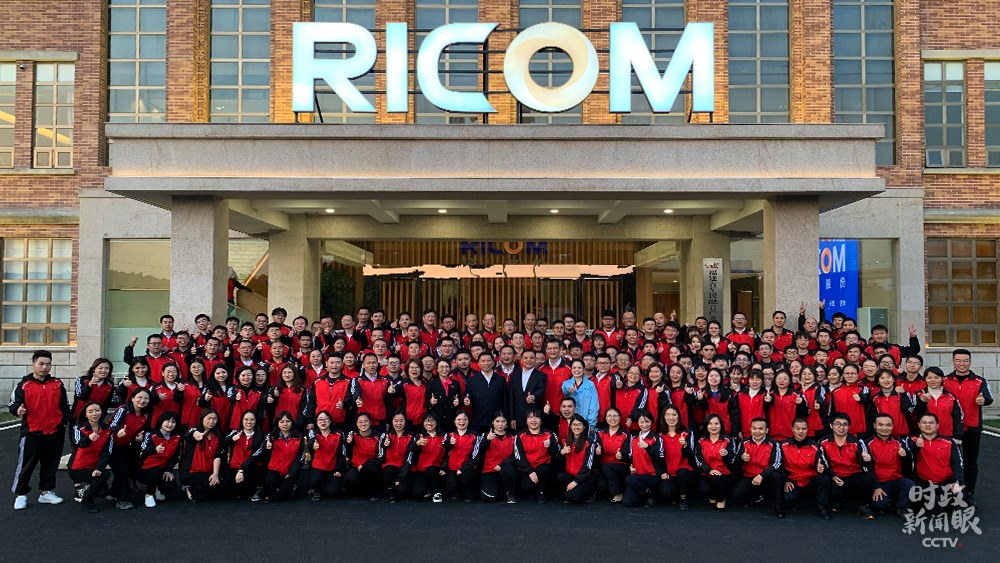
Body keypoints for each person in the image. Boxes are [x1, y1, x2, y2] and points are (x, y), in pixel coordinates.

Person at [9, 350, 72, 510]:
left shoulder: (57, 384)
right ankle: (21, 494)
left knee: (50, 465)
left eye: (48, 364)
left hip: (55, 432)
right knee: (26, 465)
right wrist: (18, 409)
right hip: (32, 432)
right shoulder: (24, 385)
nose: (45, 367)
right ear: (33, 364)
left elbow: (64, 405)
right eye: (41, 364)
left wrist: (63, 423)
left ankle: (46, 492)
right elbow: (13, 404)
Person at [943, 348, 994, 505]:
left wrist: (984, 400)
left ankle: (969, 492)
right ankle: (951, 493)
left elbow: (989, 397)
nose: (962, 364)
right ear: (953, 362)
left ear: (970, 362)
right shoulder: (945, 380)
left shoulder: (979, 381)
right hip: (950, 428)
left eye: (965, 361)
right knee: (950, 462)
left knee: (971, 462)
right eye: (958, 360)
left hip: (972, 427)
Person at [819, 413, 876, 519]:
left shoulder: (857, 442)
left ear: (849, 426)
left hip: (853, 474)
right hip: (834, 475)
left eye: (845, 424)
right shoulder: (823, 442)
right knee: (829, 486)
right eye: (838, 424)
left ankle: (863, 506)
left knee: (866, 480)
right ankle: (836, 502)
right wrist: (832, 476)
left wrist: (866, 460)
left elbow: (867, 462)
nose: (841, 427)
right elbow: (822, 461)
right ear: (831, 426)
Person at [106, 387, 154, 510]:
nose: (142, 401)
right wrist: (118, 431)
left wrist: (139, 437)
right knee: (121, 469)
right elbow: (112, 424)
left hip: (127, 445)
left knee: (127, 468)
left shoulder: (146, 414)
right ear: (132, 398)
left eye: (146, 398)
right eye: (139, 397)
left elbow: (144, 430)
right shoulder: (123, 409)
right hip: (112, 444)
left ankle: (114, 492)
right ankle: (123, 499)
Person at [779, 418, 832, 520]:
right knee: (789, 497)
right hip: (793, 480)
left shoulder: (815, 446)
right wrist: (786, 480)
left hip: (810, 480)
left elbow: (824, 463)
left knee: (824, 479)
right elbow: (778, 465)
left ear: (808, 430)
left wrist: (821, 468)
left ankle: (822, 507)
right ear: (792, 429)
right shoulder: (783, 445)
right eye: (797, 428)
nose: (800, 431)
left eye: (803, 429)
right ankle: (790, 503)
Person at [732, 417, 783, 517]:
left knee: (777, 476)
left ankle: (778, 505)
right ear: (750, 429)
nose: (757, 431)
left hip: (766, 476)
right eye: (754, 428)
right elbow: (735, 461)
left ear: (766, 430)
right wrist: (741, 458)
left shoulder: (774, 444)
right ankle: (755, 495)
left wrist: (762, 475)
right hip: (749, 476)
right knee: (736, 494)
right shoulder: (744, 443)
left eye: (760, 429)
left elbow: (776, 463)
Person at [867, 413, 914, 518]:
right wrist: (876, 486)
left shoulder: (899, 441)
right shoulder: (868, 443)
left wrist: (905, 455)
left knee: (910, 485)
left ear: (892, 426)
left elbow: (910, 459)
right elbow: (866, 468)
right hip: (878, 482)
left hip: (895, 479)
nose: (884, 428)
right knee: (879, 505)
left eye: (888, 425)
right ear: (874, 425)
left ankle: (902, 508)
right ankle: (886, 501)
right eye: (880, 425)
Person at [908, 413, 964, 498]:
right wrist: (916, 446)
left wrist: (957, 482)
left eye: (931, 423)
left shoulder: (949, 442)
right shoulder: (912, 440)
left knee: (958, 496)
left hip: (946, 482)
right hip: (923, 482)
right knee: (916, 498)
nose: (927, 425)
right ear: (919, 425)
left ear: (937, 425)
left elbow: (958, 464)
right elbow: (908, 455)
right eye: (924, 422)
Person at [68, 402, 112, 511]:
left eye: (97, 410)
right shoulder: (78, 428)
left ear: (102, 412)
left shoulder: (107, 429)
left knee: (103, 493)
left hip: (94, 466)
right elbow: (79, 443)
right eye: (90, 411)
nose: (94, 414)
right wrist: (88, 438)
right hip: (78, 467)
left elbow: (107, 452)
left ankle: (87, 488)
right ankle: (87, 501)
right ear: (85, 414)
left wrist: (99, 468)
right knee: (104, 475)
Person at [620, 409, 666, 508]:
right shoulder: (633, 438)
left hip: (652, 475)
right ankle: (648, 492)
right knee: (628, 502)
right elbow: (630, 457)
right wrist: (629, 465)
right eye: (641, 422)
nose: (644, 425)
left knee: (629, 479)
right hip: (637, 475)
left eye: (647, 421)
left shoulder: (656, 438)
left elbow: (660, 458)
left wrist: (648, 447)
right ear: (637, 423)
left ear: (652, 422)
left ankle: (651, 493)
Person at [513, 408, 560, 503]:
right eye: (530, 417)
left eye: (537, 417)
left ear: (541, 420)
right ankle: (534, 490)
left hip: (544, 468)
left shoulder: (550, 434)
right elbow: (518, 456)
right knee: (526, 486)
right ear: (526, 421)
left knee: (544, 470)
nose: (533, 420)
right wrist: (529, 471)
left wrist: (551, 446)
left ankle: (542, 493)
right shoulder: (520, 436)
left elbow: (557, 451)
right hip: (527, 468)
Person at [694, 414, 739, 511]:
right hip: (707, 472)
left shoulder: (728, 440)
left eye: (716, 424)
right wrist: (709, 470)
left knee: (717, 479)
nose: (713, 426)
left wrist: (726, 455)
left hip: (725, 474)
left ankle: (721, 499)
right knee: (704, 489)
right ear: (706, 426)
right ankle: (714, 495)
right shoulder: (701, 441)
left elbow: (734, 460)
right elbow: (698, 460)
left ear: (721, 425)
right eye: (710, 424)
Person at [137, 411, 182, 508]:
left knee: (170, 484)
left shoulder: (177, 436)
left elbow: (175, 457)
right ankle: (149, 494)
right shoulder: (151, 433)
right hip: (146, 468)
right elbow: (143, 450)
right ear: (161, 421)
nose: (170, 424)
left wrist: (168, 470)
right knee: (155, 470)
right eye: (167, 421)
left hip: (163, 467)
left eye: (173, 422)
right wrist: (155, 449)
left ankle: (158, 489)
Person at [181, 408, 226, 503]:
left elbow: (218, 456)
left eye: (214, 419)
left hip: (210, 472)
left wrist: (215, 474)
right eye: (209, 418)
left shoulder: (218, 436)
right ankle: (188, 488)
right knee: (203, 490)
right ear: (202, 419)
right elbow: (190, 434)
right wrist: (196, 434)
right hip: (193, 472)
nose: (211, 421)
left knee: (220, 490)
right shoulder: (195, 430)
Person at [472, 412, 518, 503]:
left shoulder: (513, 437)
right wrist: (487, 440)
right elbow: (478, 451)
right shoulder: (485, 435)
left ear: (507, 423)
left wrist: (502, 464)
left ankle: (510, 493)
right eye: (497, 421)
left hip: (505, 468)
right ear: (493, 422)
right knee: (488, 498)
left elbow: (516, 456)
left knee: (508, 471)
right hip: (489, 470)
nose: (500, 424)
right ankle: (498, 490)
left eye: (503, 421)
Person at [262, 411, 306, 503]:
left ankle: (291, 487)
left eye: (288, 421)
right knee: (270, 480)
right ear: (277, 424)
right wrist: (267, 447)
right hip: (275, 468)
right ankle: (270, 494)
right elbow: (263, 452)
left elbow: (301, 457)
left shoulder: (299, 437)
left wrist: (292, 471)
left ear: (292, 422)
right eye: (281, 422)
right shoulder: (271, 436)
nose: (285, 424)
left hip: (290, 469)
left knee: (284, 493)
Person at [658, 405, 695, 510]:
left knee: (683, 473)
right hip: (669, 472)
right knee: (666, 492)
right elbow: (658, 457)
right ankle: (675, 493)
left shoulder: (687, 433)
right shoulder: (660, 435)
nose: (671, 418)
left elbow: (691, 455)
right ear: (664, 417)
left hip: (684, 471)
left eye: (674, 415)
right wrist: (662, 471)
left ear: (678, 416)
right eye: (667, 415)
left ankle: (683, 497)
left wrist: (685, 446)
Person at [225, 410, 266, 502]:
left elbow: (255, 456)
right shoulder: (235, 432)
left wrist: (241, 470)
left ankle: (255, 490)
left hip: (251, 467)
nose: (249, 422)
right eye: (246, 419)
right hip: (235, 466)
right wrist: (232, 439)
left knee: (249, 482)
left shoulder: (261, 437)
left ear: (256, 421)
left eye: (252, 419)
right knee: (229, 489)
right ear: (242, 420)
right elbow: (223, 442)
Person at [556, 414, 598, 503]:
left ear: (584, 427)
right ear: (570, 427)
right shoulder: (565, 441)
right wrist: (561, 453)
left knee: (570, 496)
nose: (577, 427)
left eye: (579, 424)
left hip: (586, 477)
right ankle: (572, 494)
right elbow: (556, 460)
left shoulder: (589, 442)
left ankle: (589, 494)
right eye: (574, 425)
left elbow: (588, 466)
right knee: (561, 477)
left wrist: (576, 481)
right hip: (571, 475)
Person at [464, 352, 509, 434]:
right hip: (478, 421)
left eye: (488, 360)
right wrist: (466, 399)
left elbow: (505, 400)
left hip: (497, 422)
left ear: (493, 362)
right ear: (478, 364)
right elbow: (467, 395)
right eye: (483, 361)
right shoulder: (472, 380)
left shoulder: (500, 379)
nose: (486, 363)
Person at [344, 413, 384, 501]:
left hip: (371, 465)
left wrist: (365, 465)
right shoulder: (352, 434)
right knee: (350, 477)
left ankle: (375, 493)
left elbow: (382, 457)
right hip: (356, 465)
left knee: (372, 471)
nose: (363, 424)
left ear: (370, 422)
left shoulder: (379, 436)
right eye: (360, 422)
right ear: (356, 423)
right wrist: (348, 442)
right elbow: (346, 449)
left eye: (366, 421)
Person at [410, 413, 448, 502]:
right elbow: (411, 451)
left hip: (437, 468)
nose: (429, 423)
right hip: (422, 469)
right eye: (426, 421)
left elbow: (448, 454)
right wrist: (417, 444)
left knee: (431, 470)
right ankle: (429, 488)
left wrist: (444, 467)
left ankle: (437, 492)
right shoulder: (419, 436)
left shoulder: (444, 436)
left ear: (437, 423)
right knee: (417, 493)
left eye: (432, 421)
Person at [380, 412, 416, 503]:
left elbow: (409, 459)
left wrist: (400, 477)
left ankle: (398, 487)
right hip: (390, 466)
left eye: (401, 421)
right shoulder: (386, 435)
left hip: (405, 467)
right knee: (388, 470)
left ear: (405, 422)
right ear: (392, 422)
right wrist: (385, 445)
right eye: (396, 421)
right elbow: (380, 453)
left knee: (402, 490)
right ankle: (391, 492)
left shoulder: (411, 436)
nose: (398, 423)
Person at [596, 407, 629, 504]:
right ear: (606, 418)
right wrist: (598, 452)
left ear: (619, 417)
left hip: (620, 465)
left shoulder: (625, 434)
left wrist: (622, 455)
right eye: (609, 416)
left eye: (615, 416)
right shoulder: (600, 433)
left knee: (607, 467)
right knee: (602, 486)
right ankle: (619, 486)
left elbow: (629, 453)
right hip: (604, 466)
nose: (612, 418)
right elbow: (597, 450)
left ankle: (618, 493)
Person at [509, 350, 546, 431]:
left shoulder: (541, 375)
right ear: (521, 360)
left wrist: (534, 397)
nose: (528, 360)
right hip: (518, 417)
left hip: (534, 416)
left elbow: (541, 389)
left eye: (531, 358)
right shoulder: (514, 375)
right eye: (526, 358)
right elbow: (511, 397)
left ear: (535, 359)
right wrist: (512, 417)